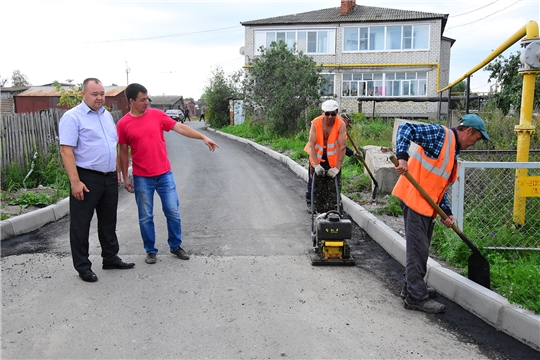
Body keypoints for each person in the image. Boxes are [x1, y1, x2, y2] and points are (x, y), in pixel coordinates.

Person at [392, 113, 490, 313]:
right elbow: (405, 129)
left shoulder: (453, 151)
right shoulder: (440, 135)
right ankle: (415, 297)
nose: (475, 143)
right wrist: (402, 157)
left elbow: (439, 186)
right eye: (477, 138)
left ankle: (410, 286)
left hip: (426, 204)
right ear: (468, 131)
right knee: (418, 249)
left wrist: (446, 212)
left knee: (421, 249)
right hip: (414, 199)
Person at [117, 83, 219, 265]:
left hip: (164, 174)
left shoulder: (157, 115)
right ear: (131, 101)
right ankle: (150, 250)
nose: (146, 102)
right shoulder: (123, 124)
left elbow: (180, 128)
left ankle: (175, 246)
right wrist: (125, 176)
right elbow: (123, 152)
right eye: (142, 100)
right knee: (145, 216)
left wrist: (203, 137)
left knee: (172, 211)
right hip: (142, 178)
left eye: (147, 98)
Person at [59, 77, 135, 283]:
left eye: (102, 93)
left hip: (109, 177)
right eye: (95, 94)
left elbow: (113, 146)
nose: (100, 97)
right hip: (87, 178)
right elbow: (66, 151)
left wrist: (117, 172)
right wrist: (75, 182)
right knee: (81, 224)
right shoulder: (72, 117)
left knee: (109, 221)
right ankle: (83, 266)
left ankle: (110, 257)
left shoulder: (106, 116)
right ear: (83, 94)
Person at [305, 113, 358, 211]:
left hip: (330, 159)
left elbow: (342, 147)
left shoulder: (340, 128)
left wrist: (352, 153)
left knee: (331, 185)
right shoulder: (319, 123)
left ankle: (330, 208)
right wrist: (316, 164)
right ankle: (310, 201)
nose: (346, 126)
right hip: (315, 155)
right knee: (314, 180)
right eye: (346, 124)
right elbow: (312, 145)